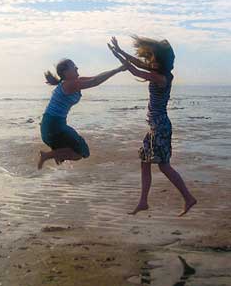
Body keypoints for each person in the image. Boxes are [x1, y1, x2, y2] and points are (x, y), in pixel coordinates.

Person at [108, 36, 197, 216]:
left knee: (164, 166)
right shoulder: (158, 72)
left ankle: (188, 198)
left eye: (154, 59)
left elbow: (134, 70)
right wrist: (119, 51)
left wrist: (118, 56)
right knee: (144, 162)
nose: (150, 61)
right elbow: (136, 64)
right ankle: (143, 202)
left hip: (160, 126)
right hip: (155, 127)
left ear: (161, 62)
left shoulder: (161, 78)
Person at [38, 58, 125, 169]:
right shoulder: (69, 85)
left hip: (53, 124)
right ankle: (47, 155)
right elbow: (95, 82)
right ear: (65, 73)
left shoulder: (74, 82)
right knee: (81, 153)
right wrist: (118, 70)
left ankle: (56, 154)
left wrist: (116, 69)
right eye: (73, 67)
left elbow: (96, 78)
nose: (77, 68)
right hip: (54, 125)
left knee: (80, 152)